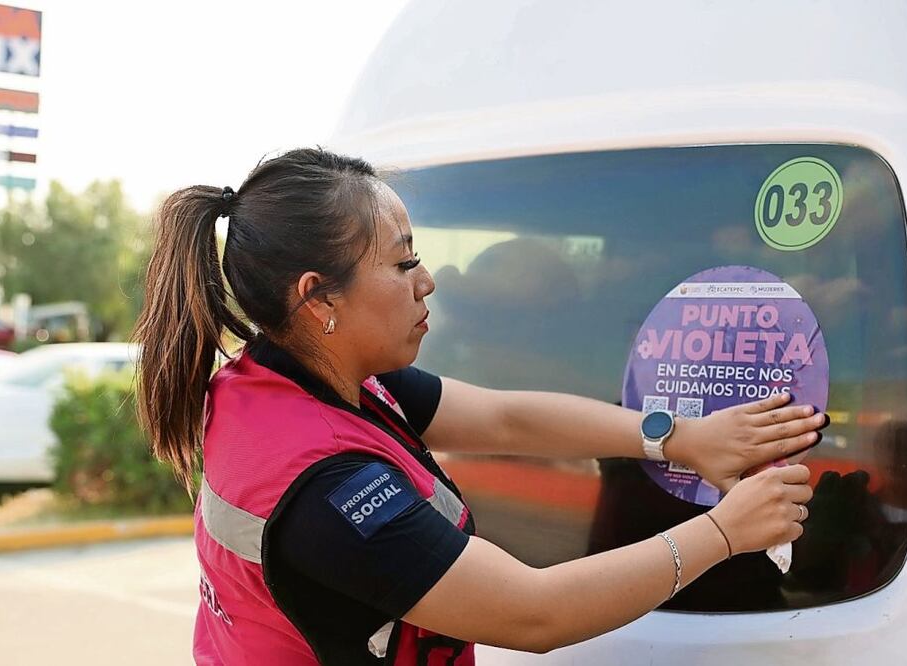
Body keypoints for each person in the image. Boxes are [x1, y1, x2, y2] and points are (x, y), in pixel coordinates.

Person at [133, 147, 825, 665]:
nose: (429, 281)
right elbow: (533, 614)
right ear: (319, 299)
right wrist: (724, 533)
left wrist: (679, 438)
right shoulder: (327, 490)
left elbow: (504, 418)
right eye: (403, 263)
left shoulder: (299, 377)